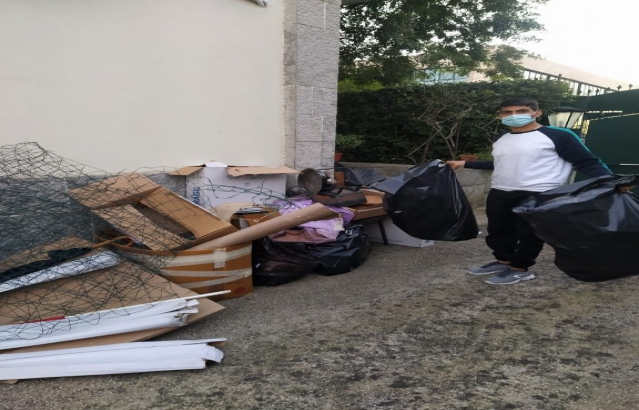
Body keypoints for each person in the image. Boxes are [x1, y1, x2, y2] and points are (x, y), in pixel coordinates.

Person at [446, 97, 615, 285]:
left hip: (538, 192)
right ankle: (503, 261)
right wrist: (465, 163)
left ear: (537, 113)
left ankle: (520, 269)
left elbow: (587, 162)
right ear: (499, 116)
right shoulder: (504, 138)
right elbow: (501, 163)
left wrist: (612, 182)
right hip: (500, 190)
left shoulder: (559, 136)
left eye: (521, 111)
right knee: (498, 230)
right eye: (507, 112)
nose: (513, 116)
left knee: (529, 234)